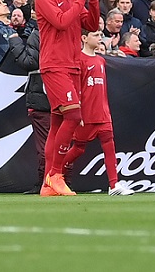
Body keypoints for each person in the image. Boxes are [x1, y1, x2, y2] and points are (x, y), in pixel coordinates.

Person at [34, 0, 103, 197]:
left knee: (58, 123)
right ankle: (55, 174)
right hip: (55, 64)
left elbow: (92, 25)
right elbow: (61, 22)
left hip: (73, 65)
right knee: (73, 115)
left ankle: (47, 184)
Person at [49, 24, 123, 194]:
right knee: (79, 148)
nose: (99, 38)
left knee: (109, 145)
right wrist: (78, 110)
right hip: (86, 114)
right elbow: (76, 86)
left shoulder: (101, 60)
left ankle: (114, 185)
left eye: (99, 35)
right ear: (84, 38)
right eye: (95, 35)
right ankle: (55, 174)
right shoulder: (79, 60)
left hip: (102, 112)